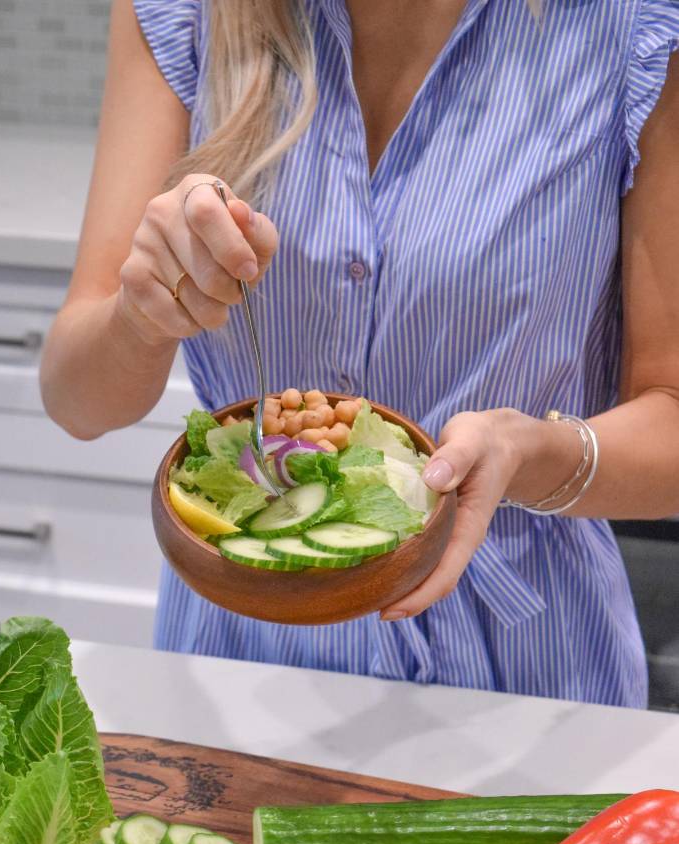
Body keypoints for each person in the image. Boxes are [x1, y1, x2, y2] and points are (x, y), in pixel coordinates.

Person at [41, 0, 679, 707]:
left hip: (530, 680)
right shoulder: (187, 15)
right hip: (243, 666)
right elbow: (75, 398)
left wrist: (531, 453)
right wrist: (140, 315)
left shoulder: (632, 25)